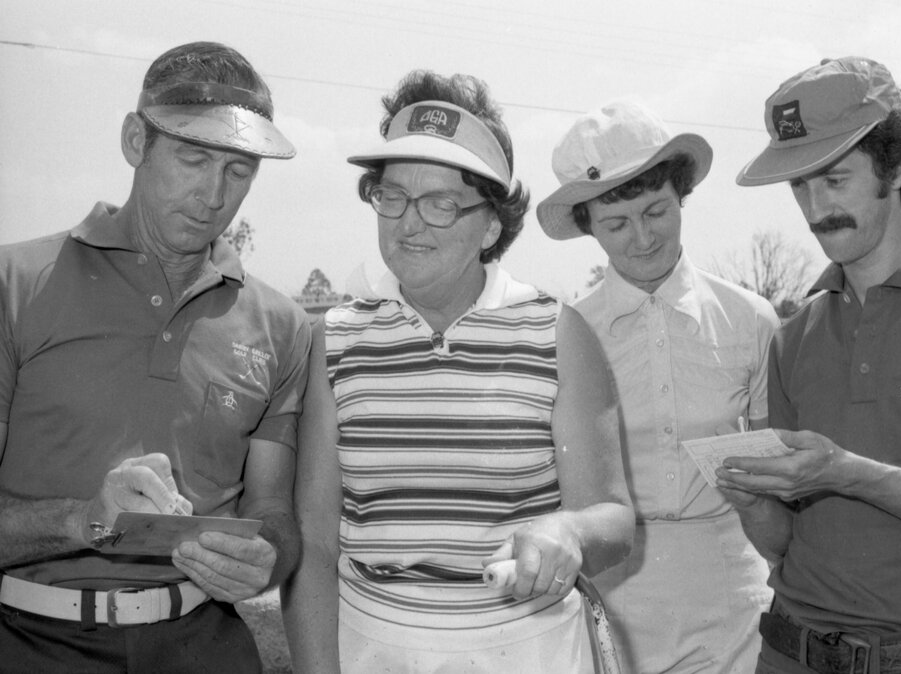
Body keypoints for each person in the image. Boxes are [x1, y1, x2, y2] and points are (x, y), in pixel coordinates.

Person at [282, 70, 634, 673]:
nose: (408, 223)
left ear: (492, 224)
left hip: (529, 652)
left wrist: (570, 532)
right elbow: (314, 544)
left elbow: (614, 517)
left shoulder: (558, 333)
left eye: (441, 202)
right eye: (392, 195)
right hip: (376, 651)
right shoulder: (333, 339)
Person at [0, 42, 311, 673]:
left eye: (239, 170)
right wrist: (84, 520)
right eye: (193, 158)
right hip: (29, 643)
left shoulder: (282, 325)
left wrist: (270, 557)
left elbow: (273, 509)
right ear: (135, 141)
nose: (213, 194)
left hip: (204, 646)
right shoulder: (15, 284)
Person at [720, 56, 901, 674]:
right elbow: (785, 545)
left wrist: (852, 474)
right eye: (799, 186)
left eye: (834, 179)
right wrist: (751, 498)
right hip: (786, 650)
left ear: (897, 166)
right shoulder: (793, 337)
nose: (815, 209)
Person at [536, 98, 780, 673]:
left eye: (657, 212)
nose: (642, 238)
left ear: (681, 199)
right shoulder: (564, 334)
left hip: (732, 592)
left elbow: (779, 477)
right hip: (611, 590)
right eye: (617, 223)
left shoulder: (751, 319)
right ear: (587, 227)